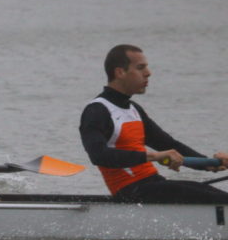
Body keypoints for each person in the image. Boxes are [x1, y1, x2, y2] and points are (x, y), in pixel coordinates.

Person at [79, 44, 227, 203]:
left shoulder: (133, 109)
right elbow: (98, 155)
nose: (148, 73)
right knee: (219, 200)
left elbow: (167, 144)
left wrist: (209, 163)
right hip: (130, 192)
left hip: (153, 184)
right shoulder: (97, 111)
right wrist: (155, 156)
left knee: (213, 194)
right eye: (140, 68)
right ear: (120, 72)